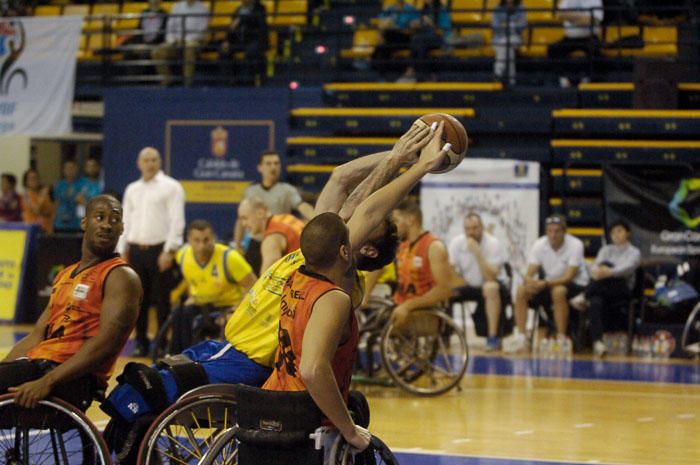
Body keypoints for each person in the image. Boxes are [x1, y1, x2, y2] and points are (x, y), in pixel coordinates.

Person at [101, 121, 447, 463]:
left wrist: (417, 165)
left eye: (368, 225)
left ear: (364, 249)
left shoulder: (338, 275)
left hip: (250, 363)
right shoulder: (316, 252)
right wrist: (401, 151)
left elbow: (370, 208)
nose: (357, 215)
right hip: (231, 348)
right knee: (138, 389)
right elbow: (342, 177)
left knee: (146, 391)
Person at [0, 195, 141, 410]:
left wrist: (47, 381)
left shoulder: (120, 276)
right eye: (100, 217)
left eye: (114, 220)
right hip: (40, 365)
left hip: (72, 380)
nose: (106, 225)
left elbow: (107, 344)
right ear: (85, 222)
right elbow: (37, 336)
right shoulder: (65, 274)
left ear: (122, 228)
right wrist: (5, 368)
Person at [262, 212, 370, 451]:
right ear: (344, 252)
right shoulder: (332, 298)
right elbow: (312, 370)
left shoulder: (293, 278)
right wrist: (349, 430)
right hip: (306, 414)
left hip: (272, 398)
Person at [118, 147, 186, 357]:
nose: (150, 163)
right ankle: (141, 343)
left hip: (160, 250)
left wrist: (170, 250)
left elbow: (177, 220)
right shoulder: (132, 189)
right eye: (146, 160)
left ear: (160, 162)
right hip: (136, 249)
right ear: (139, 163)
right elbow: (125, 221)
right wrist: (121, 250)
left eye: (154, 159)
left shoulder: (172, 187)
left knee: (162, 300)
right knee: (139, 300)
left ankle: (162, 344)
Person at [168, 219, 257, 353]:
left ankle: (190, 356)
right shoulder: (183, 255)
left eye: (206, 240)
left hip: (227, 307)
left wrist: (236, 309)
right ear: (189, 240)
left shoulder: (230, 258)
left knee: (190, 317)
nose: (202, 246)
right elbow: (192, 278)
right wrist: (192, 295)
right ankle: (176, 356)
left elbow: (255, 287)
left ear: (214, 238)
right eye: (196, 240)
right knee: (179, 313)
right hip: (203, 305)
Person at [504, 214, 589, 353]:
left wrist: (545, 283)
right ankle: (521, 337)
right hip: (549, 283)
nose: (553, 235)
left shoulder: (575, 245)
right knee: (521, 291)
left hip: (576, 284)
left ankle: (561, 338)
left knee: (559, 291)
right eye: (549, 231)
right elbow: (530, 272)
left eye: (557, 231)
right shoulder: (540, 244)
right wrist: (530, 281)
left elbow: (569, 276)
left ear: (564, 232)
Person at [233, 150, 314, 268]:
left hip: (278, 240)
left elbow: (301, 206)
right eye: (269, 164)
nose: (273, 167)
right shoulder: (251, 191)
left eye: (276, 163)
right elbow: (241, 220)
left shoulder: (287, 189)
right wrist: (237, 244)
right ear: (260, 167)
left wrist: (317, 217)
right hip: (256, 242)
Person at [574, 220, 641, 357]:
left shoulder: (634, 252)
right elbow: (594, 267)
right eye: (613, 232)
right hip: (602, 289)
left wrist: (608, 271)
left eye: (619, 231)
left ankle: (584, 295)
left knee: (608, 268)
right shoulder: (606, 249)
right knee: (595, 302)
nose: (616, 235)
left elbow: (627, 269)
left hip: (622, 289)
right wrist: (597, 271)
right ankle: (598, 342)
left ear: (627, 233)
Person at [390, 199, 458, 328]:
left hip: (423, 312)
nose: (393, 226)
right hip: (400, 305)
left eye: (396, 221)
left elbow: (445, 290)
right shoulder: (402, 245)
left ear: (411, 220)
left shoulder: (434, 246)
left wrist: (407, 306)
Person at [448, 213, 507, 351]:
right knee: (444, 289)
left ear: (482, 227)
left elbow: (490, 277)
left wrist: (477, 253)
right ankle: (444, 335)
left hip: (489, 285)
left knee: (490, 287)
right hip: (466, 284)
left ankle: (492, 337)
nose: (471, 232)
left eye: (475, 228)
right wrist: (459, 282)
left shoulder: (493, 243)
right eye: (467, 229)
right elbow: (450, 271)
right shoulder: (457, 242)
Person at [237, 196, 305, 274]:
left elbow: (266, 281)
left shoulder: (271, 239)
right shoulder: (286, 218)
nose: (243, 224)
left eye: (245, 218)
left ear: (260, 213)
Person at [152, 0, 209, 86]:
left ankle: (187, 83)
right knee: (157, 52)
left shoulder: (203, 8)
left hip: (194, 41)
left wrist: (185, 40)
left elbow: (201, 32)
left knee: (189, 48)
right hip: (176, 41)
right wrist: (172, 41)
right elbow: (170, 27)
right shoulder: (176, 6)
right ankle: (167, 80)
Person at [547, 0, 604, 87]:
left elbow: (592, 20)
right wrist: (582, 18)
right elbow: (560, 15)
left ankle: (589, 82)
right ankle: (564, 80)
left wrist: (570, 16)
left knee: (598, 56)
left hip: (589, 37)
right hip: (570, 37)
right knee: (553, 50)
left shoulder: (595, 1)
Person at [396, 0, 452, 83]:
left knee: (419, 40)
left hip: (440, 39)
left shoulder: (441, 10)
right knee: (418, 41)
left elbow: (443, 32)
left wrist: (431, 23)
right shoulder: (424, 10)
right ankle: (423, 75)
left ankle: (411, 71)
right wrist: (415, 24)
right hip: (424, 39)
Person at [218, 0, 268, 83]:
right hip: (239, 41)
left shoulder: (260, 8)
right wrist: (226, 40)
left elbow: (260, 27)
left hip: (254, 40)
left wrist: (242, 19)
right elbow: (232, 27)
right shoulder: (238, 10)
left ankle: (248, 81)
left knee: (251, 51)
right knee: (223, 50)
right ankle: (229, 80)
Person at [372, 0, 421, 75]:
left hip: (405, 38)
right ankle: (382, 73)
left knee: (386, 40)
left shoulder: (411, 10)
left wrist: (396, 28)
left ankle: (375, 65)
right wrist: (380, 35)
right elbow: (380, 25)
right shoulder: (389, 9)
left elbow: (412, 31)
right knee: (383, 46)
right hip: (390, 39)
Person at [492, 0, 527, 85]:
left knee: (505, 44)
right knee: (508, 50)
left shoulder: (521, 8)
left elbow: (522, 25)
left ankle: (498, 72)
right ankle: (511, 81)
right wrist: (513, 24)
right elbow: (495, 26)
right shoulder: (497, 8)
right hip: (499, 38)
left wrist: (505, 24)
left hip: (516, 38)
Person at [53, 159, 87, 232]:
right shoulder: (59, 185)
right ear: (63, 170)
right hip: (60, 223)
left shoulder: (84, 184)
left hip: (77, 224)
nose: (70, 171)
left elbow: (88, 204)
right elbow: (56, 204)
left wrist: (83, 201)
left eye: (72, 168)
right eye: (67, 168)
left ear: (76, 169)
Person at [21, 168, 53, 232]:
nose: (34, 181)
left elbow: (50, 211)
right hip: (32, 229)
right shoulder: (26, 196)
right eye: (31, 179)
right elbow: (36, 210)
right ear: (26, 181)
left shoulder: (43, 193)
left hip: (46, 228)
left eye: (36, 178)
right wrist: (42, 197)